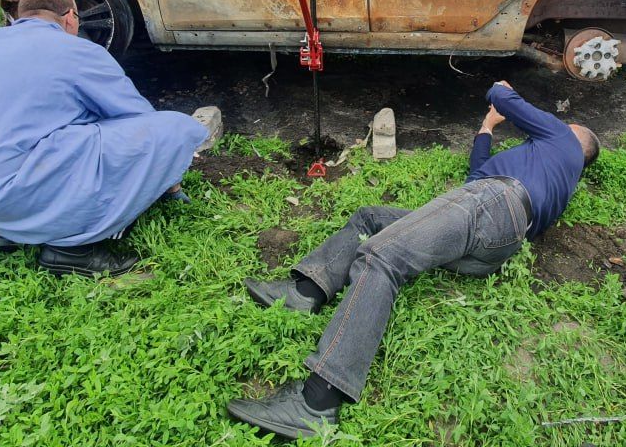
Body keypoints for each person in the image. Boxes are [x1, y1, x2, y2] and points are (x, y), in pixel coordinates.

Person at [227, 81, 600, 439]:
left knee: (381, 258)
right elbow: (476, 176)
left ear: (575, 136)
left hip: (490, 204)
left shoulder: (565, 139)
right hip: (493, 242)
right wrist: (485, 130)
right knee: (370, 218)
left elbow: (505, 100)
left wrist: (499, 92)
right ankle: (306, 291)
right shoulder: (557, 175)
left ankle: (316, 401)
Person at [0, 0, 207, 276]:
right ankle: (71, 251)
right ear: (71, 17)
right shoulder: (76, 50)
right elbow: (137, 117)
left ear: (20, 16)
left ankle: (11, 229)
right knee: (174, 128)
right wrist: (167, 181)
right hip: (4, 191)